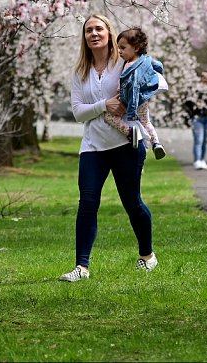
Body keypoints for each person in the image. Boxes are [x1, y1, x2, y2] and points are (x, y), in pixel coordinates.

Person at [59, 15, 158, 282]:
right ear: (85, 37)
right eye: (89, 30)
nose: (94, 33)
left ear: (109, 33)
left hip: (126, 143)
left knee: (132, 203)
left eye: (99, 28)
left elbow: (150, 82)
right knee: (87, 203)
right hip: (92, 147)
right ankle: (82, 267)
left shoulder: (124, 63)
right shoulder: (80, 71)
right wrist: (104, 105)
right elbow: (78, 113)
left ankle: (147, 256)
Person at [103, 26, 167, 161]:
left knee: (109, 117)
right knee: (146, 122)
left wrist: (131, 111)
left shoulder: (131, 66)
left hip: (130, 100)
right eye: (118, 47)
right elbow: (159, 66)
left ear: (136, 48)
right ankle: (156, 143)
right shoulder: (147, 59)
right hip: (143, 100)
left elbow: (134, 88)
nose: (119, 51)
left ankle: (131, 133)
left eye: (123, 48)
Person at [183, 70, 207, 170]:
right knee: (198, 140)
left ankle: (202, 159)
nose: (205, 78)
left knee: (205, 140)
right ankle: (197, 160)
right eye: (203, 76)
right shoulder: (194, 89)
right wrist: (191, 115)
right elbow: (187, 103)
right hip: (197, 118)